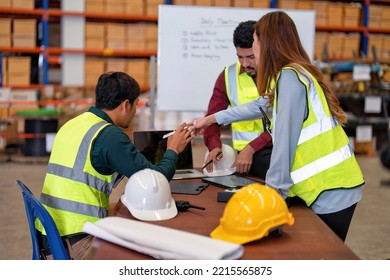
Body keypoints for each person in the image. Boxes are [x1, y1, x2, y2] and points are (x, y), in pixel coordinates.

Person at [193, 11, 364, 242]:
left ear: (267, 43)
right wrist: (210, 120)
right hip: (337, 184)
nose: (252, 51)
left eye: (254, 42)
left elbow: (283, 147)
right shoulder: (297, 71)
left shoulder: (290, 78)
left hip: (330, 189)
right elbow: (261, 104)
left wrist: (273, 199)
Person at [36, 72, 195, 259]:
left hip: (50, 232)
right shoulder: (109, 135)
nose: (135, 112)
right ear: (126, 105)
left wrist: (149, 152)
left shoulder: (73, 124)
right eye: (136, 105)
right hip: (77, 238)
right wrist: (173, 150)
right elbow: (156, 181)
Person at [204, 20, 272, 179]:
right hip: (254, 157)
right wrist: (214, 146)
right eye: (240, 57)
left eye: (251, 57)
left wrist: (252, 147)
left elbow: (285, 122)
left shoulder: (280, 74)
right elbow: (212, 118)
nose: (245, 63)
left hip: (280, 146)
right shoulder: (228, 76)